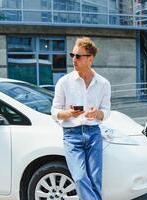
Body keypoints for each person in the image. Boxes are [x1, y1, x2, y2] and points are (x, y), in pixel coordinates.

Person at [51, 37, 111, 200]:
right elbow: (54, 112)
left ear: (90, 58)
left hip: (93, 133)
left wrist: (96, 113)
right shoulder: (64, 82)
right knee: (79, 177)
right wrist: (69, 113)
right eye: (72, 55)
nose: (73, 59)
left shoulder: (103, 84)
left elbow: (106, 111)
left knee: (95, 181)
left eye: (78, 56)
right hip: (72, 135)